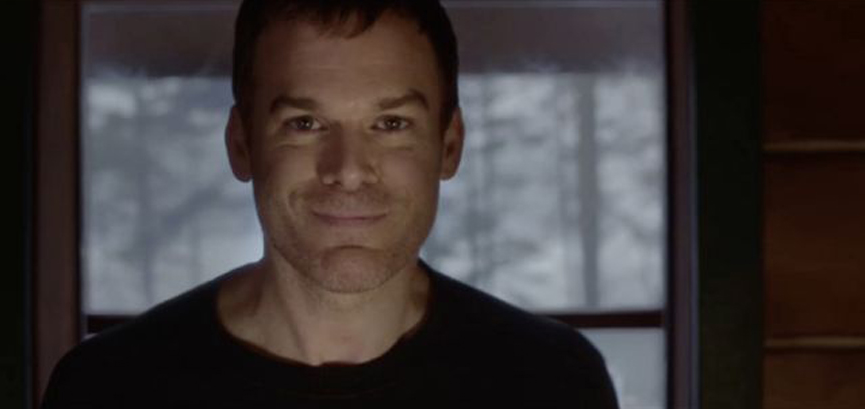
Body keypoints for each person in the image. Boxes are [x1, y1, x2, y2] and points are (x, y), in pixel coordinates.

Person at [42, 1, 618, 407]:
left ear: (449, 146)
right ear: (241, 144)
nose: (347, 169)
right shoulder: (109, 388)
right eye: (305, 123)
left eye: (391, 124)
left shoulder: (551, 381)